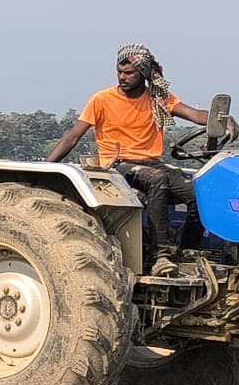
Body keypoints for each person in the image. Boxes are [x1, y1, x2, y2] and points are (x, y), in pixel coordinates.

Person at [46, 44, 237, 276]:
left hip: (151, 162)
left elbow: (196, 115)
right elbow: (73, 137)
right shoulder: (102, 99)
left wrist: (223, 118)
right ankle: (161, 256)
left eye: (129, 73)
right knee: (157, 180)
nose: (122, 77)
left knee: (199, 193)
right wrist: (47, 167)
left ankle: (187, 251)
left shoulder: (158, 99)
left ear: (144, 75)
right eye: (120, 72)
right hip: (117, 165)